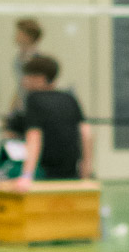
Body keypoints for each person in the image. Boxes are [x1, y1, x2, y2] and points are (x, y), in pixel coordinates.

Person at [14, 54, 93, 187]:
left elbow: (34, 136)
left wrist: (27, 175)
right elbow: (86, 133)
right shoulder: (69, 98)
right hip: (71, 172)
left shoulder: (34, 99)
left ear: (40, 78)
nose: (23, 81)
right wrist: (86, 168)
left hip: (44, 172)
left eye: (27, 76)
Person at [9, 17, 43, 113]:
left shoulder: (37, 59)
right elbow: (21, 84)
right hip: (22, 104)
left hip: (33, 106)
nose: (16, 35)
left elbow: (36, 86)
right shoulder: (18, 58)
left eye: (19, 32)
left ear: (28, 36)